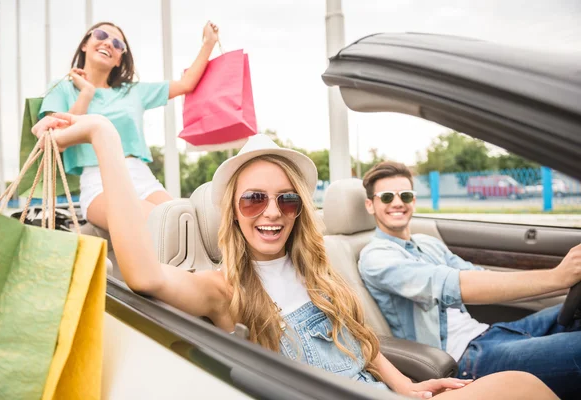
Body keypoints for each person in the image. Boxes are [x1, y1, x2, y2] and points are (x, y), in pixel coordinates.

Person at [31, 113, 558, 399]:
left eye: (285, 198)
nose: (272, 212)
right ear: (233, 211)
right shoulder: (224, 289)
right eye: (254, 198)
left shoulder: (317, 267)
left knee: (522, 385)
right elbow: (143, 275)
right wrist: (102, 134)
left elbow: (363, 343)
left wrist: (409, 386)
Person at [358, 161, 581, 399]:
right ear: (370, 205)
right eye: (386, 197)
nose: (397, 202)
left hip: (490, 334)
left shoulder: (427, 243)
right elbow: (454, 285)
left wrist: (564, 279)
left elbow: (478, 275)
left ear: (413, 200)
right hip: (465, 358)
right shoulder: (376, 256)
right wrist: (557, 277)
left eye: (405, 195)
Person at [39, 21, 220, 230]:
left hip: (141, 176)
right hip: (98, 180)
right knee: (158, 225)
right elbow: (56, 140)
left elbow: (186, 84)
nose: (108, 43)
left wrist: (209, 43)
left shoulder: (132, 91)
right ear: (85, 45)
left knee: (189, 226)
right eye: (100, 35)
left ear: (119, 60)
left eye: (117, 44)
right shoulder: (61, 88)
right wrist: (86, 93)